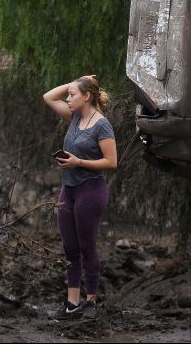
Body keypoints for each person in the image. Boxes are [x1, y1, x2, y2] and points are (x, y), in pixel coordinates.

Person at [42, 75, 117, 320]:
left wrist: (78, 162)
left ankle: (91, 302)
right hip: (69, 190)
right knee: (70, 248)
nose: (67, 98)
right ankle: (72, 303)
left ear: (87, 97)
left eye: (72, 94)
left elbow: (111, 162)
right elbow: (48, 97)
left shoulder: (102, 125)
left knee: (87, 246)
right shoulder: (74, 116)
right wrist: (77, 81)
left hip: (91, 191)